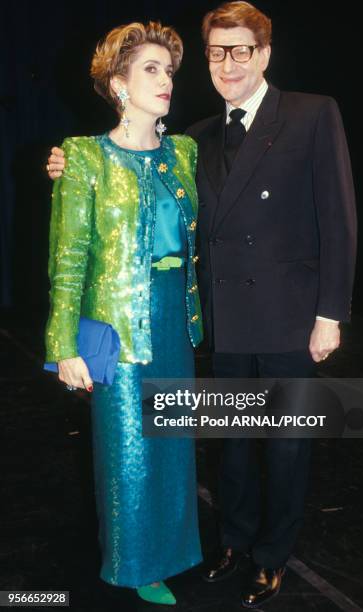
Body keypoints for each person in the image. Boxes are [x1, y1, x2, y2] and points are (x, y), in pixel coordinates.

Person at [46, 2, 357, 608]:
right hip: (219, 325)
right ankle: (235, 544)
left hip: (291, 321)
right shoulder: (194, 140)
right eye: (216, 51)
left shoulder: (312, 115)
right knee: (232, 446)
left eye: (241, 49)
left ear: (263, 54)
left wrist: (332, 313)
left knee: (286, 448)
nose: (227, 62)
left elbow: (340, 222)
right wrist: (67, 164)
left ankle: (272, 557)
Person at [44, 21, 203, 606]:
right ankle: (136, 566)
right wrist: (64, 345)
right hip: (114, 321)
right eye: (151, 70)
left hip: (173, 320)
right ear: (118, 83)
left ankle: (176, 552)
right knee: (129, 450)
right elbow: (69, 258)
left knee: (173, 441)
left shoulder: (182, 152)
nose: (166, 82)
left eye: (169, 71)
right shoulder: (85, 157)